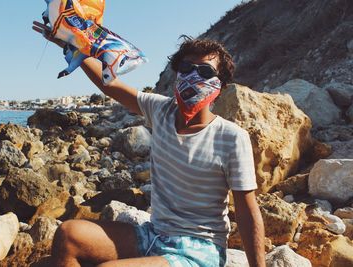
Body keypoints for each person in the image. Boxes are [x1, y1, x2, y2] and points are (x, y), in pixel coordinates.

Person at [32, 21, 265, 267]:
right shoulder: (161, 110)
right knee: (68, 234)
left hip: (200, 249)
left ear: (221, 85)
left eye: (205, 72)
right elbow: (109, 84)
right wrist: (71, 43)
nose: (193, 76)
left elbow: (247, 211)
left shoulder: (231, 137)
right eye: (186, 68)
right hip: (154, 234)